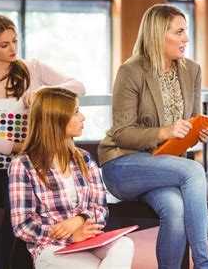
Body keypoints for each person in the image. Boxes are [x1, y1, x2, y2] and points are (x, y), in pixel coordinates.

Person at [0, 14, 86, 269]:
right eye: (4, 45)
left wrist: (41, 92)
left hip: (25, 166)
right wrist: (18, 148)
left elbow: (78, 86)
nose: (13, 49)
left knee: (15, 215)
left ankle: (5, 265)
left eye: (15, 41)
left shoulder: (34, 69)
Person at [98, 4, 208, 269]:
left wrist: (198, 132)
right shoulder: (131, 71)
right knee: (194, 170)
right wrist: (165, 132)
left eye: (186, 32)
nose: (187, 39)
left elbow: (188, 127)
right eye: (179, 32)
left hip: (164, 165)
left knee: (175, 209)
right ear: (157, 35)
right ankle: (206, 264)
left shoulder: (191, 70)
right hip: (123, 164)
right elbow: (122, 133)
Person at [8, 87, 134, 268]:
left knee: (124, 244)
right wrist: (70, 236)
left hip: (89, 239)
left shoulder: (84, 158)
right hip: (51, 247)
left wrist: (80, 219)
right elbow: (23, 225)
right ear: (55, 119)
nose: (83, 117)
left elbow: (100, 208)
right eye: (75, 112)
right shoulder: (23, 165)